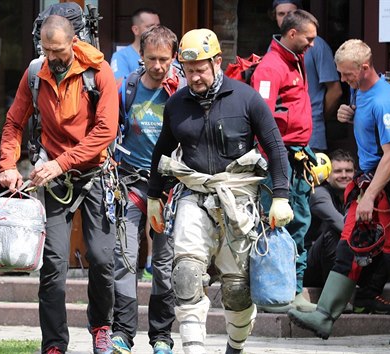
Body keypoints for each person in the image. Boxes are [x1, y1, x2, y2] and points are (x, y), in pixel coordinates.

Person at [146, 28, 293, 354]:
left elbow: (275, 148)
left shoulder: (247, 98)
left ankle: (235, 347)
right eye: (188, 70)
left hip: (238, 199)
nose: (195, 77)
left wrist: (281, 196)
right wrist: (154, 197)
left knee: (236, 288)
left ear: (217, 62)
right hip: (193, 195)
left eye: (201, 69)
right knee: (185, 274)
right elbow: (163, 151)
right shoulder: (176, 104)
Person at [288, 39, 390, 346]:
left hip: (383, 189)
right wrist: (352, 115)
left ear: (364, 68)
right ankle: (324, 316)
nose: (342, 80)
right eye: (340, 73)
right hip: (367, 184)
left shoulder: (384, 101)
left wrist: (369, 197)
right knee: (348, 245)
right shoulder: (361, 91)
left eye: (347, 73)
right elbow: (370, 126)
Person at [0, 15, 118, 354]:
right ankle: (53, 343)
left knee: (102, 257)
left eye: (60, 50)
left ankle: (101, 328)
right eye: (47, 50)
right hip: (55, 180)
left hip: (94, 174)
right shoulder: (36, 73)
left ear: (74, 42)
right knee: (53, 262)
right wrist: (7, 164)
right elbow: (13, 123)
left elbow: (105, 132)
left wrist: (61, 162)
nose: (54, 57)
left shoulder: (99, 73)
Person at [111, 25, 181, 354]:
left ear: (174, 57)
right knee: (125, 259)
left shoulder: (180, 91)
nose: (157, 66)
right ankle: (123, 332)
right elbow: (111, 129)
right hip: (131, 183)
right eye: (151, 58)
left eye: (164, 59)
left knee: (164, 265)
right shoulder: (127, 87)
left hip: (168, 187)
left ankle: (162, 337)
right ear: (141, 56)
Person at [250, 9, 319, 313]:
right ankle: (276, 291)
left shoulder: (296, 60)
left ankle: (294, 289)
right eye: (309, 38)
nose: (313, 45)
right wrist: (271, 164)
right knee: (277, 224)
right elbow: (261, 118)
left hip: (299, 153)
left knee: (300, 221)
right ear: (293, 34)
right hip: (279, 157)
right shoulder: (271, 67)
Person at [303, 149, 390, 315]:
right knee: (335, 233)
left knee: (387, 235)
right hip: (314, 266)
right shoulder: (319, 193)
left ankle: (367, 296)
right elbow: (339, 224)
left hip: (348, 258)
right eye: (338, 171)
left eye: (349, 171)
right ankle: (336, 297)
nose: (344, 175)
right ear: (328, 174)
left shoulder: (357, 195)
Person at [270, 0, 342, 152]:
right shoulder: (273, 48)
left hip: (312, 135)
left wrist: (315, 116)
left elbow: (335, 91)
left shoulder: (316, 45)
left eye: (290, 13)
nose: (286, 18)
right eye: (281, 14)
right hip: (283, 137)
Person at [111, 8, 160, 84]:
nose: (156, 30)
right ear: (135, 30)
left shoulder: (165, 53)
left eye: (158, 26)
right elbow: (118, 84)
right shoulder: (121, 56)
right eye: (150, 26)